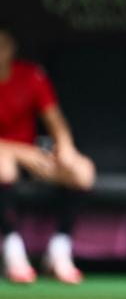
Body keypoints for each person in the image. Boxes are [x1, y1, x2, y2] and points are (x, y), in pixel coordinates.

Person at [0, 25, 94, 284]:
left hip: (30, 157)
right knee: (2, 164)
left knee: (82, 170)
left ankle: (59, 249)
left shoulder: (30, 76)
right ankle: (12, 249)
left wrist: (65, 146)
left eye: (2, 45)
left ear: (11, 49)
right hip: (10, 158)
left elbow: (55, 120)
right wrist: (22, 152)